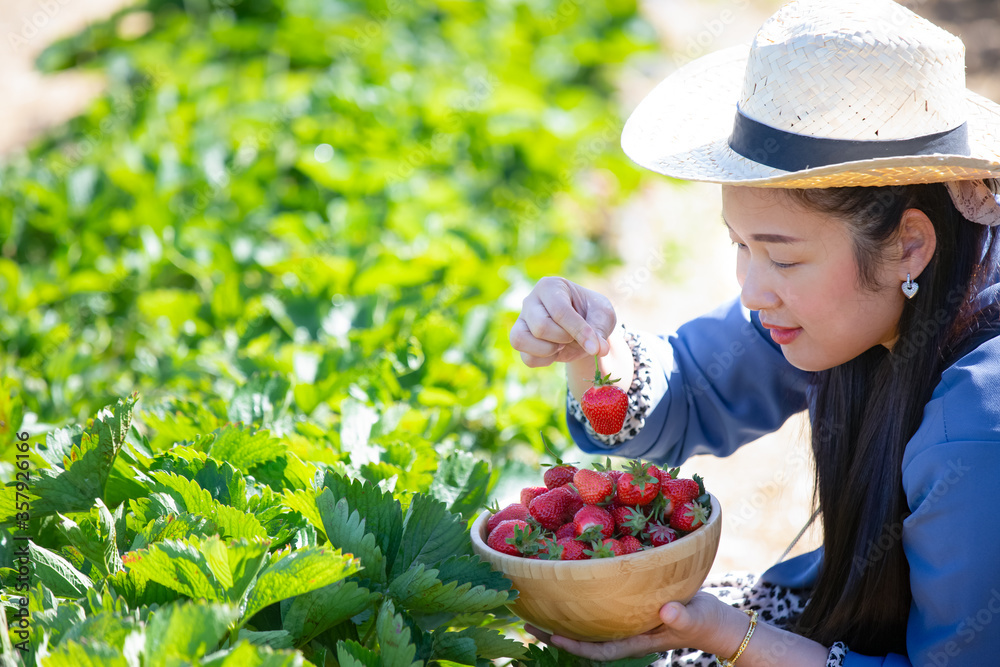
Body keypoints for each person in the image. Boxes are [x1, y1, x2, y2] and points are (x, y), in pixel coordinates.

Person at [508, 0, 1000, 665]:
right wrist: (595, 348)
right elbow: (693, 387)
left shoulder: (976, 428)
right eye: (740, 244)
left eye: (784, 256)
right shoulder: (877, 297)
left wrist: (727, 633)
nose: (750, 289)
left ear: (910, 244)